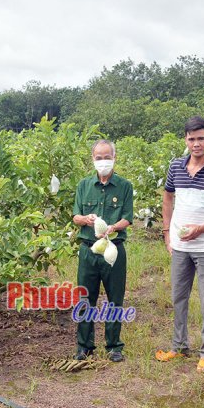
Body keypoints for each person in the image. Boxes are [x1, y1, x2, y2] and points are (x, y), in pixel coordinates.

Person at [155, 116, 204, 372]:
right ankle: (179, 346)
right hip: (180, 246)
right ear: (185, 140)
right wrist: (167, 233)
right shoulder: (176, 166)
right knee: (179, 297)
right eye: (191, 139)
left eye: (201, 138)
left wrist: (201, 228)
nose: (196, 143)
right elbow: (167, 197)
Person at [72, 139, 133, 362]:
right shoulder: (84, 186)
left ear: (114, 158)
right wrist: (86, 219)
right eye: (99, 158)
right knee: (85, 299)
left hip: (113, 251)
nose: (103, 162)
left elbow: (128, 217)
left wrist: (114, 227)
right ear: (93, 159)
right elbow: (75, 216)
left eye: (107, 157)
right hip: (88, 251)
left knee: (115, 298)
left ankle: (114, 346)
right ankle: (84, 346)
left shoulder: (125, 186)